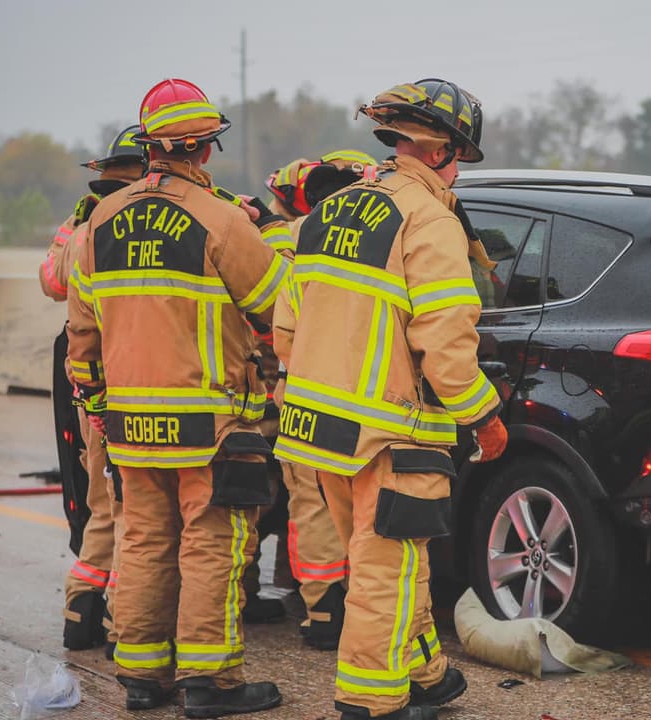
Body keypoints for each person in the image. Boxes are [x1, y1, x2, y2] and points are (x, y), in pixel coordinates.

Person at [274, 78, 508, 720]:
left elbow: (287, 326)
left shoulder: (331, 209)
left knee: (388, 561)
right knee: (387, 568)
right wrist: (482, 415)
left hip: (318, 428)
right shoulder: (430, 219)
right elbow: (446, 336)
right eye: (460, 156)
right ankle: (370, 701)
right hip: (390, 435)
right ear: (439, 152)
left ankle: (426, 673)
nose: (458, 171)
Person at [66, 78, 289, 717]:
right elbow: (280, 306)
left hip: (130, 421)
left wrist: (100, 403)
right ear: (203, 150)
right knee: (212, 543)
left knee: (142, 540)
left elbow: (83, 335)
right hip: (210, 423)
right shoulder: (220, 218)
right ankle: (208, 682)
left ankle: (140, 677)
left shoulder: (100, 220)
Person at [264, 150, 379, 650]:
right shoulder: (382, 235)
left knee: (312, 503)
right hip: (370, 396)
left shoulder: (298, 238)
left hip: (307, 390)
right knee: (368, 507)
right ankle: (361, 607)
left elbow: (279, 327)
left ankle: (324, 612)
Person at [40, 125, 146, 655]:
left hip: (85, 377)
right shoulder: (136, 222)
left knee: (100, 501)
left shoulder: (81, 221)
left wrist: (70, 229)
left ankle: (81, 608)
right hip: (130, 372)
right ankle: (122, 625)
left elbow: (51, 282)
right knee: (133, 510)